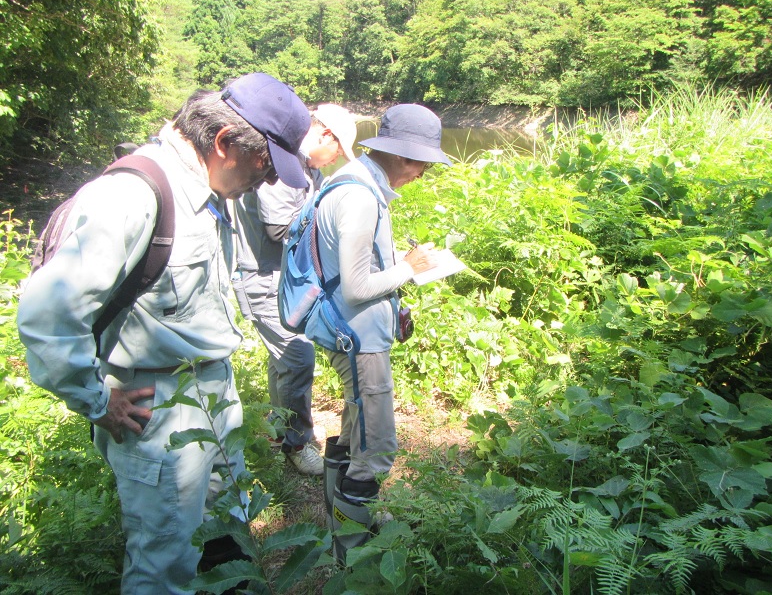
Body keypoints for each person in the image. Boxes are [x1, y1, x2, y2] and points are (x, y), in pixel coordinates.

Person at [16, 73, 311, 594]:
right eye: (266, 166)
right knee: (165, 564)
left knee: (226, 535)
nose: (265, 184)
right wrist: (95, 399)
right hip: (158, 412)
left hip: (212, 394)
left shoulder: (210, 190)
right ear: (224, 143)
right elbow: (47, 315)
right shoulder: (133, 196)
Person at [315, 104, 451, 561]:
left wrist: (397, 263)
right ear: (395, 154)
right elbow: (356, 289)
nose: (421, 172)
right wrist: (407, 270)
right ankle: (352, 554)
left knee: (355, 431)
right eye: (418, 162)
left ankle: (336, 516)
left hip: (344, 331)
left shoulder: (351, 180)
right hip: (359, 337)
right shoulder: (359, 197)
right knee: (376, 449)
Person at [232, 104, 357, 476]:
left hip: (286, 276)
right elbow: (278, 229)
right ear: (324, 135)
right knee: (297, 358)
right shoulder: (283, 165)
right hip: (263, 276)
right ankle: (296, 443)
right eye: (337, 150)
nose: (335, 159)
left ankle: (279, 426)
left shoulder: (308, 168)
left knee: (284, 360)